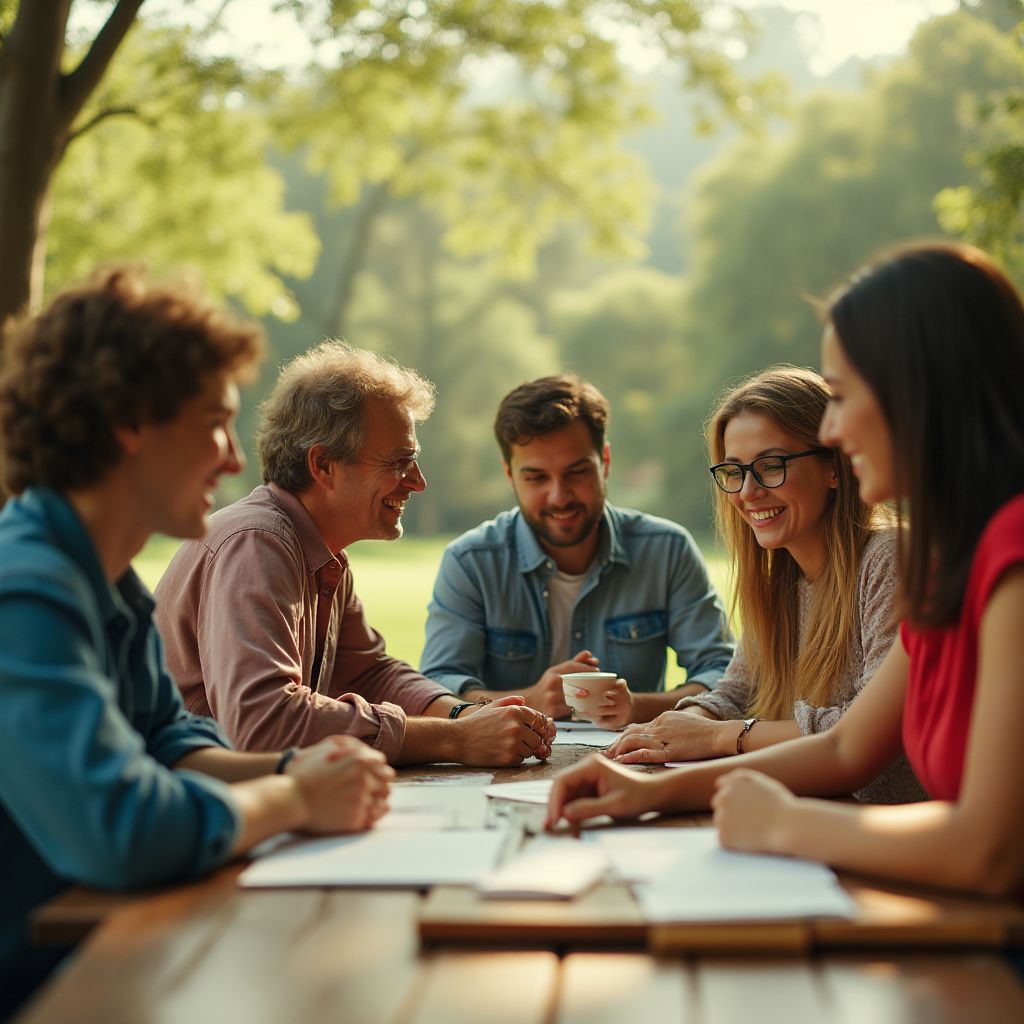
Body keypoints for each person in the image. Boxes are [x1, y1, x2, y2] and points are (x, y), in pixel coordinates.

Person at [546, 241, 1024, 899]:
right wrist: (645, 789)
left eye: (843, 396)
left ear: (922, 391)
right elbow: (846, 747)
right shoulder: (953, 563)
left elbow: (989, 853)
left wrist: (783, 822)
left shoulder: (1010, 553)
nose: (832, 427)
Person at [0, 270, 394, 1020]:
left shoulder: (105, 580)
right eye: (215, 422)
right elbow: (123, 827)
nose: (233, 458)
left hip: (112, 953)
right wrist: (294, 796)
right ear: (131, 422)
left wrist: (296, 767)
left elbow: (169, 742)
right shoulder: (23, 592)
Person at [155, 342, 555, 767]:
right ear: (323, 465)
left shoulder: (317, 553)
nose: (417, 483)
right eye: (400, 462)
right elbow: (263, 725)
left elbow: (368, 672)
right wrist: (454, 739)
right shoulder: (257, 543)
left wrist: (463, 713)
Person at [605, 367, 924, 804]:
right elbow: (736, 692)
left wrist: (721, 737)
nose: (748, 492)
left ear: (835, 467)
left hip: (889, 836)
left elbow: (860, 731)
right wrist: (674, 729)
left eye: (771, 466)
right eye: (734, 471)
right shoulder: (781, 582)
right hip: (819, 818)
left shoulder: (890, 560)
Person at [420, 374, 734, 724]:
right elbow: (438, 684)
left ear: (606, 462)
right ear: (510, 475)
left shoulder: (667, 551)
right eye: (536, 477)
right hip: (505, 766)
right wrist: (528, 700)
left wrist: (639, 706)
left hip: (631, 765)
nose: (560, 496)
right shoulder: (471, 562)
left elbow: (722, 674)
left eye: (577, 472)